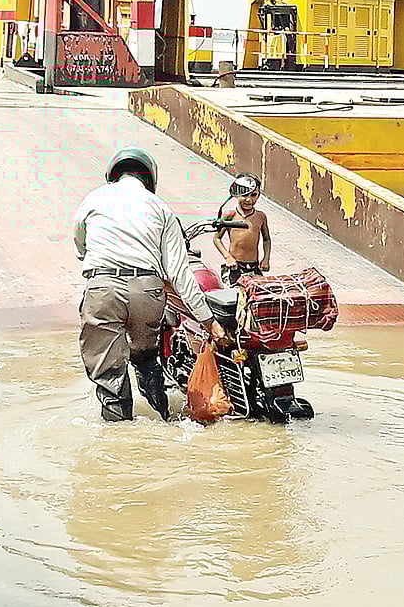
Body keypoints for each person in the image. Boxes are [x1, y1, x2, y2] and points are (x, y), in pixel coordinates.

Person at [73, 148, 227, 422]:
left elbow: (80, 244)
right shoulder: (160, 207)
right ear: (150, 179)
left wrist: (99, 270)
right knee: (146, 359)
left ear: (114, 174)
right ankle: (162, 416)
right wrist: (209, 322)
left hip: (103, 287)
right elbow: (180, 274)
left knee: (110, 374)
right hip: (147, 290)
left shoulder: (94, 198)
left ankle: (119, 436)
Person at [213, 173, 272, 287]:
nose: (248, 199)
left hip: (254, 267)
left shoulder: (261, 217)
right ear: (236, 194)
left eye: (253, 195)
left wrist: (266, 258)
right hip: (235, 266)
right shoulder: (230, 215)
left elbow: (266, 240)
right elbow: (217, 238)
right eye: (244, 195)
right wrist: (228, 257)